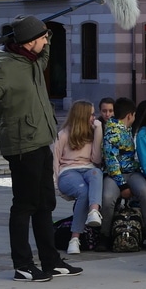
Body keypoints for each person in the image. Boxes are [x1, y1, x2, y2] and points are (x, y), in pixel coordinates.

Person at [0, 14, 81, 282]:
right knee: (24, 205)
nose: (46, 41)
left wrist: (46, 31)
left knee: (45, 204)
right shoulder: (3, 64)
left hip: (41, 140)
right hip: (22, 144)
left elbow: (45, 51)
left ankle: (50, 261)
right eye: (43, 37)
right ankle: (22, 265)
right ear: (30, 41)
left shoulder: (32, 60)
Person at [100, 97, 146, 252]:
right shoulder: (113, 131)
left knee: (145, 193)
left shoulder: (126, 129)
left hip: (132, 172)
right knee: (108, 198)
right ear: (129, 115)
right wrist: (123, 185)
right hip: (115, 175)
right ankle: (104, 234)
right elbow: (111, 161)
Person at [53, 100, 104, 255]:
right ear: (82, 116)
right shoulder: (63, 135)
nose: (94, 117)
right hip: (68, 172)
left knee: (97, 173)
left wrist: (99, 131)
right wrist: (56, 187)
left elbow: (96, 160)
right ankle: (74, 239)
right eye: (91, 114)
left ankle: (94, 212)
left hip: (88, 169)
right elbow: (54, 162)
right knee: (83, 192)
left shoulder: (92, 132)